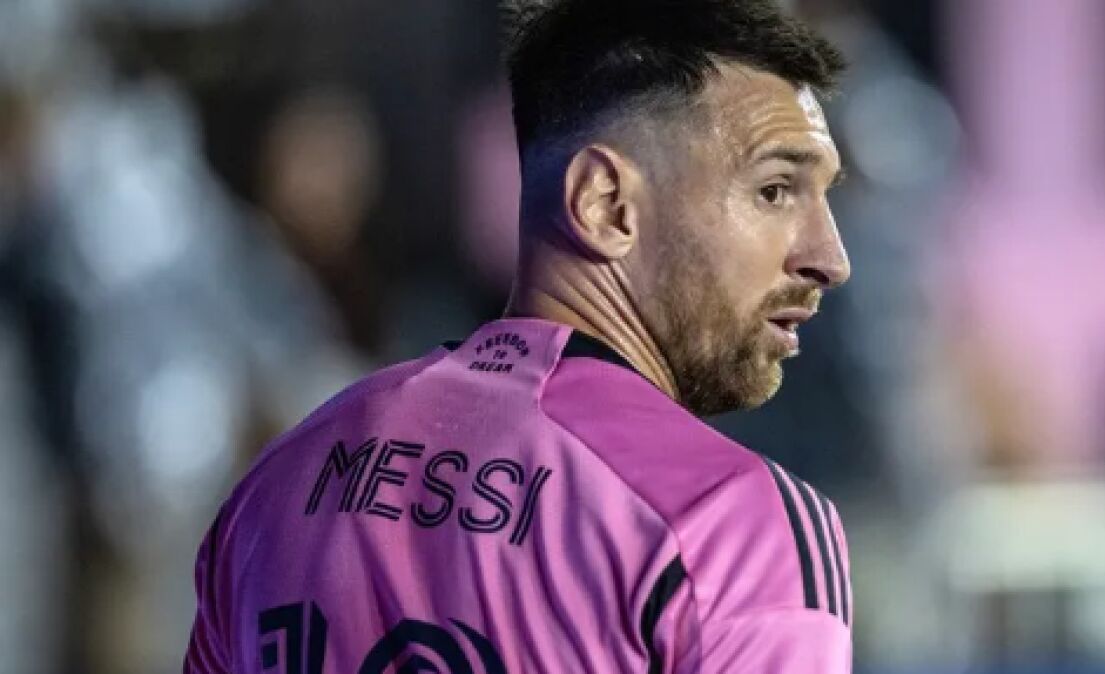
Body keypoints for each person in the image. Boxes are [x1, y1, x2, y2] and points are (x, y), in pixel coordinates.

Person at [184, 0, 853, 671]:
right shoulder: (730, 522)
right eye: (775, 191)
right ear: (605, 204)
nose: (829, 257)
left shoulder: (282, 478)